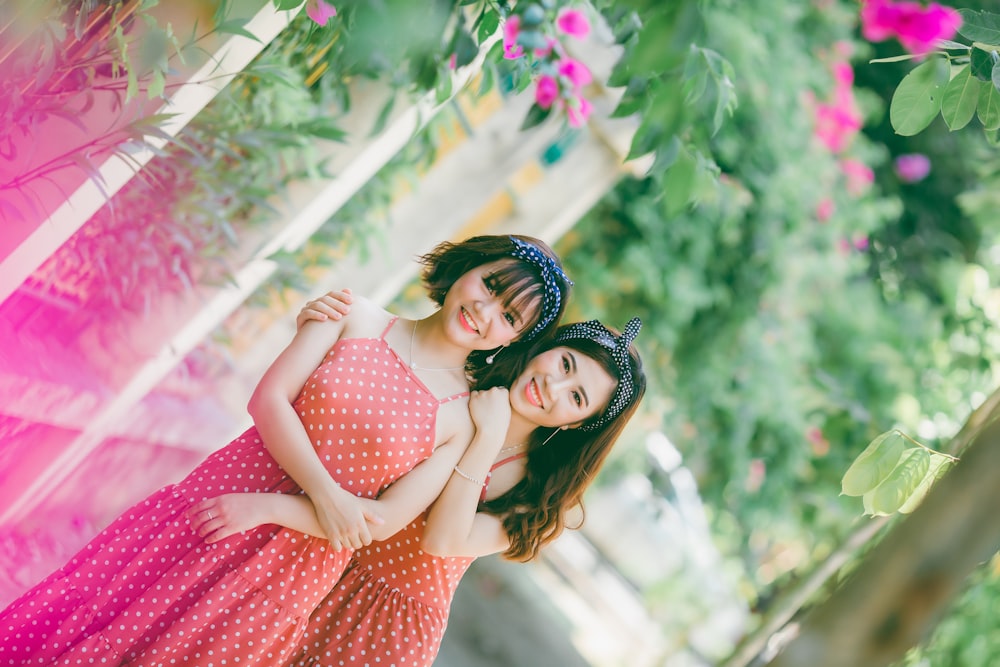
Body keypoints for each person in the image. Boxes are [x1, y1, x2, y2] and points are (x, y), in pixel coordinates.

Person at [0, 235, 571, 666]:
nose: (486, 311)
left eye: (510, 317)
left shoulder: (461, 418)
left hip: (286, 575)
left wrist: (272, 509)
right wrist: (325, 495)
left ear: (514, 339)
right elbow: (269, 400)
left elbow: (383, 519)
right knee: (103, 623)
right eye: (491, 287)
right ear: (468, 266)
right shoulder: (354, 316)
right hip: (216, 509)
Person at [191, 312, 646, 667]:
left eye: (577, 396)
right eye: (565, 363)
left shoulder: (538, 498)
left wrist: (488, 438)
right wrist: (319, 327)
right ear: (549, 346)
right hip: (319, 558)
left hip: (385, 624)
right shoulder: (458, 383)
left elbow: (443, 539)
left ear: (579, 423)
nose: (554, 384)